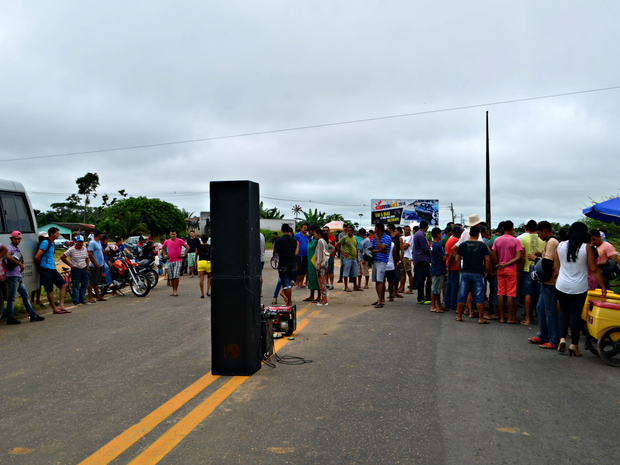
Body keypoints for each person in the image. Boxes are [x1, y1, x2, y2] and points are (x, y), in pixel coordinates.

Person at [555, 222, 606, 356]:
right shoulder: (587, 248)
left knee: (564, 313)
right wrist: (603, 286)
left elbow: (556, 267)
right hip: (579, 287)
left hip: (561, 285)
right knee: (576, 315)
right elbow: (594, 269)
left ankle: (562, 339)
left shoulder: (560, 245)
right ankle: (574, 345)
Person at [527, 221, 560, 349]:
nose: (538, 235)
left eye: (539, 233)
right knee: (541, 308)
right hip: (547, 282)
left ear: (545, 230)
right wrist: (541, 255)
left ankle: (553, 340)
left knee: (550, 311)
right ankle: (543, 335)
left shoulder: (551, 242)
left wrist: (535, 259)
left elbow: (547, 264)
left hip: (551, 282)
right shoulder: (551, 241)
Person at [4, 231, 45, 324]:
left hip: (17, 276)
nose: (17, 241)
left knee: (25, 296)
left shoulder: (17, 249)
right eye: (15, 239)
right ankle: (10, 318)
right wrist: (19, 264)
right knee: (12, 298)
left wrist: (20, 263)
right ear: (11, 239)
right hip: (12, 276)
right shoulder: (9, 248)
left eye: (19, 239)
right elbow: (8, 257)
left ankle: (33, 315)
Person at [455, 225, 491, 324]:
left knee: (462, 294)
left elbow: (457, 259)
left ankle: (459, 316)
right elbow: (487, 261)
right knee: (479, 296)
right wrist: (486, 271)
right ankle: (481, 318)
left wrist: (460, 270)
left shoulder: (462, 245)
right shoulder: (483, 245)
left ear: (469, 234)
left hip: (465, 272)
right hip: (478, 273)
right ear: (478, 234)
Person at [492, 221, 522, 323]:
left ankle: (501, 317)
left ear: (503, 228)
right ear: (512, 228)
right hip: (511, 269)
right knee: (510, 293)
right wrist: (507, 264)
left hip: (500, 268)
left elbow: (494, 254)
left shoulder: (497, 240)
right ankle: (510, 317)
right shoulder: (516, 241)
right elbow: (518, 257)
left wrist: (499, 264)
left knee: (500, 292)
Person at [34, 227, 70, 314]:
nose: (58, 235)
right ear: (52, 234)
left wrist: (54, 266)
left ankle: (61, 305)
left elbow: (51, 256)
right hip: (45, 269)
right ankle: (54, 308)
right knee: (49, 289)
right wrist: (40, 266)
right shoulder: (45, 242)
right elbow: (37, 256)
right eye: (57, 233)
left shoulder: (52, 243)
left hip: (52, 269)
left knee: (64, 284)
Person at [520, 220, 545, 326]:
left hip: (527, 269)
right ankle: (540, 318)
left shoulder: (524, 239)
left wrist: (521, 267)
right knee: (539, 295)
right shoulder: (543, 239)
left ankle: (527, 318)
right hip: (540, 268)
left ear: (527, 228)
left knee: (528, 294)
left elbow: (522, 256)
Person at [273, 224, 298, 307]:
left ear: (281, 230)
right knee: (293, 281)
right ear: (289, 230)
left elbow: (276, 251)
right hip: (292, 264)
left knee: (286, 284)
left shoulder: (277, 241)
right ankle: (286, 296)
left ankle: (289, 302)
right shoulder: (294, 240)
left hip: (283, 264)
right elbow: (295, 251)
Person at [60, 235, 90, 305]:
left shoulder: (84, 248)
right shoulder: (72, 249)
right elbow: (62, 257)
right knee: (76, 285)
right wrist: (71, 265)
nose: (80, 243)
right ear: (76, 241)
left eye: (81, 242)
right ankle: (76, 301)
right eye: (79, 242)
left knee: (84, 284)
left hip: (84, 268)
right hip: (76, 269)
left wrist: (87, 267)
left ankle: (81, 299)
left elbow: (87, 258)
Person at [369, 223, 391, 308]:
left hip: (382, 261)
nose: (374, 230)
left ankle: (380, 301)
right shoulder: (374, 238)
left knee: (380, 280)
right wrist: (380, 250)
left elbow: (382, 248)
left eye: (375, 228)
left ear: (379, 229)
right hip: (375, 261)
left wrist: (378, 240)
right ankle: (379, 299)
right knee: (377, 281)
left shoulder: (387, 238)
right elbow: (372, 249)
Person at [162, 229, 188, 297]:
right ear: (169, 234)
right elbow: (163, 248)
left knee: (176, 275)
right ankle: (173, 290)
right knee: (171, 276)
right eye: (171, 234)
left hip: (178, 260)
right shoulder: (167, 241)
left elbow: (187, 247)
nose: (173, 235)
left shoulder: (180, 241)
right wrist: (165, 255)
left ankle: (176, 290)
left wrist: (183, 255)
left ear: (176, 234)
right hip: (170, 261)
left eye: (174, 234)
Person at [336, 224, 361, 292]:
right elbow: (337, 245)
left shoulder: (355, 238)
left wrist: (357, 257)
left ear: (353, 231)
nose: (349, 232)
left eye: (350, 231)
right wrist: (342, 252)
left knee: (355, 273)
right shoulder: (344, 238)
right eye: (348, 230)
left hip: (354, 258)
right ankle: (346, 286)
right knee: (346, 273)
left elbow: (356, 247)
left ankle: (355, 286)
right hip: (347, 258)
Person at [444, 225, 463, 311]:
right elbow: (453, 254)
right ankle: (453, 304)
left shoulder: (449, 240)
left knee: (449, 284)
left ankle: (447, 303)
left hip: (448, 264)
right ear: (458, 232)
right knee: (454, 286)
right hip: (454, 265)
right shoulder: (456, 241)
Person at [413, 220, 432, 305]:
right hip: (422, 259)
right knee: (424, 278)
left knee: (422, 278)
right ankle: (422, 297)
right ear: (426, 227)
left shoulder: (417, 233)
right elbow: (425, 248)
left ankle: (422, 297)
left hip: (419, 258)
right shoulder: (421, 235)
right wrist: (431, 255)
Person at [86, 230, 106, 303]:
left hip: (100, 264)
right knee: (91, 281)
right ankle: (90, 297)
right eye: (101, 235)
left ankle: (98, 296)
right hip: (94, 265)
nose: (102, 236)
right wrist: (95, 263)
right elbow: (90, 254)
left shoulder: (99, 242)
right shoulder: (92, 243)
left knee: (96, 282)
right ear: (98, 235)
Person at [430, 227, 447, 313]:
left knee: (437, 289)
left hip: (436, 268)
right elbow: (443, 257)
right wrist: (446, 254)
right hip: (437, 269)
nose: (441, 235)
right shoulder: (437, 245)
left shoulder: (433, 244)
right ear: (437, 235)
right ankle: (433, 306)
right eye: (440, 233)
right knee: (435, 289)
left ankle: (438, 305)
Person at [314, 228, 333, 306]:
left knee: (322, 283)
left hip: (321, 265)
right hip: (324, 265)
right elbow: (332, 248)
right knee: (322, 282)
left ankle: (324, 300)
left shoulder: (320, 241)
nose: (314, 235)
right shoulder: (324, 241)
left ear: (319, 234)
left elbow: (319, 255)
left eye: (315, 234)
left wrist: (318, 265)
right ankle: (324, 299)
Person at [399, 225, 414, 294]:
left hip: (407, 256)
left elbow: (406, 246)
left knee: (409, 273)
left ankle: (411, 289)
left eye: (408, 229)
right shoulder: (401, 237)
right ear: (404, 230)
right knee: (402, 273)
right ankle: (402, 287)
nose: (407, 231)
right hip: (401, 256)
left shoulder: (411, 237)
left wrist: (400, 245)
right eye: (406, 229)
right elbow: (402, 246)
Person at [294, 223, 309, 289]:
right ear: (301, 228)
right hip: (299, 255)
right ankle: (298, 283)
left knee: (304, 270)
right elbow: (294, 244)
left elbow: (310, 244)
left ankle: (302, 283)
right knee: (299, 269)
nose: (305, 229)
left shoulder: (308, 236)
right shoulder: (296, 235)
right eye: (304, 227)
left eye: (306, 228)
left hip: (306, 255)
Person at [259, 231, 266, 297]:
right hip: (262, 258)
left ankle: (260, 291)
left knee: (259, 275)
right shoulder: (262, 235)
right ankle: (260, 291)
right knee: (260, 274)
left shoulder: (256, 235)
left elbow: (259, 249)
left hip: (258, 258)